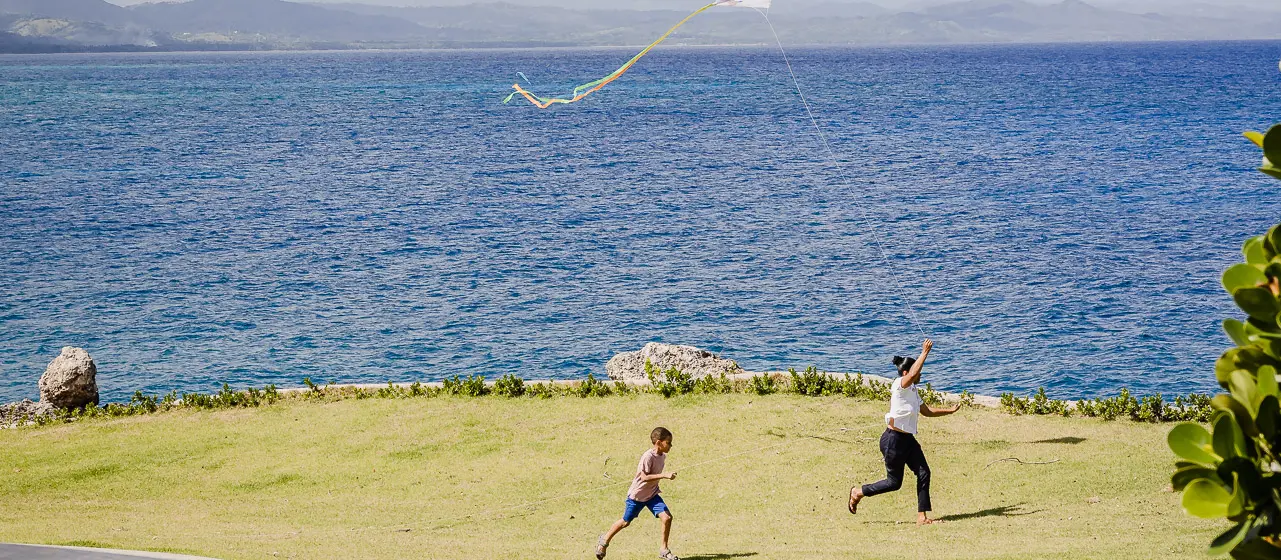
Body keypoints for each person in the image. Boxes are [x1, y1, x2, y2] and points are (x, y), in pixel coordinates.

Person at [847, 338, 960, 525]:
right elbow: (914, 371)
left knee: (924, 472)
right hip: (893, 440)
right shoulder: (899, 385)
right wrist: (925, 352)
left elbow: (927, 411)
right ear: (906, 373)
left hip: (908, 441)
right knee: (894, 483)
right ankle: (857, 492)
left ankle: (921, 517)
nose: (920, 373)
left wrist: (949, 411)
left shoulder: (914, 390)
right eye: (916, 370)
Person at [597, 427, 680, 560]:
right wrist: (664, 475)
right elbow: (644, 477)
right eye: (668, 442)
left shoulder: (662, 456)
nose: (671, 445)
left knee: (667, 518)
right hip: (637, 496)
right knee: (625, 522)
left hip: (652, 495)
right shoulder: (648, 456)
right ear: (659, 442)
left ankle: (664, 550)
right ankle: (604, 541)